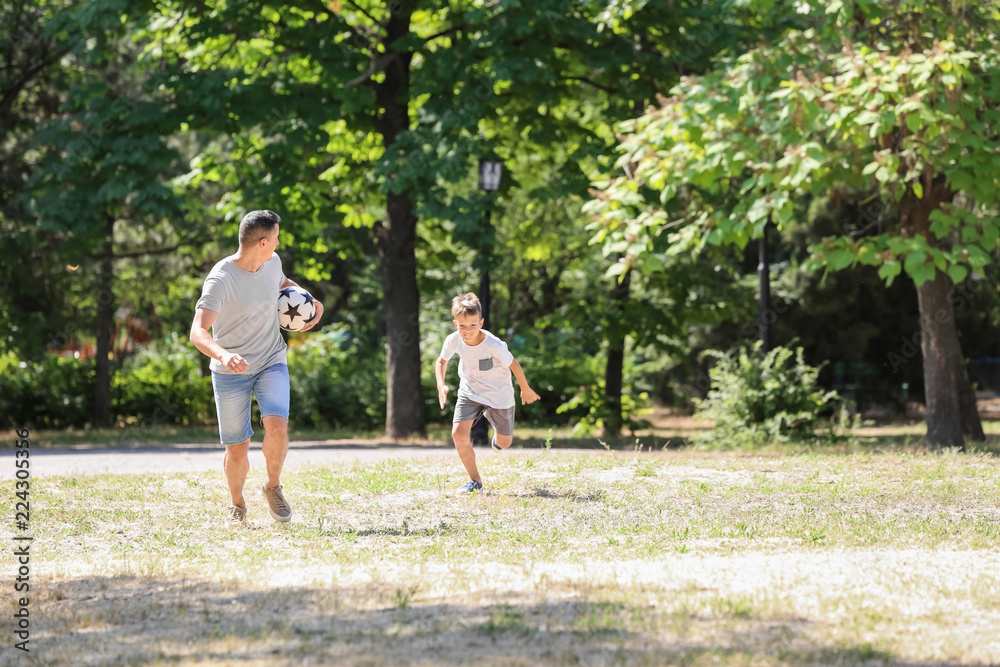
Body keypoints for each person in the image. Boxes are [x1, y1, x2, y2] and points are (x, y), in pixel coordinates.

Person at [189, 210, 324, 524]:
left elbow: (282, 283)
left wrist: (309, 300)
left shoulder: (271, 261)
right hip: (229, 371)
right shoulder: (221, 279)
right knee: (238, 448)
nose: (278, 243)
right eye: (275, 238)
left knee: (277, 426)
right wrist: (224, 356)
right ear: (262, 242)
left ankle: (273, 486)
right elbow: (198, 331)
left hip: (270, 360)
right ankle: (237, 504)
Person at [435, 293, 540, 494]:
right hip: (470, 391)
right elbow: (441, 361)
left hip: (499, 395)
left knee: (505, 442)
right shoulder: (453, 340)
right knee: (458, 434)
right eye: (462, 326)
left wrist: (525, 390)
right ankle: (475, 481)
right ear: (455, 323)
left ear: (481, 322)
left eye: (473, 325)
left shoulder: (493, 344)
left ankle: (498, 440)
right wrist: (441, 384)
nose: (467, 331)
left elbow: (514, 365)